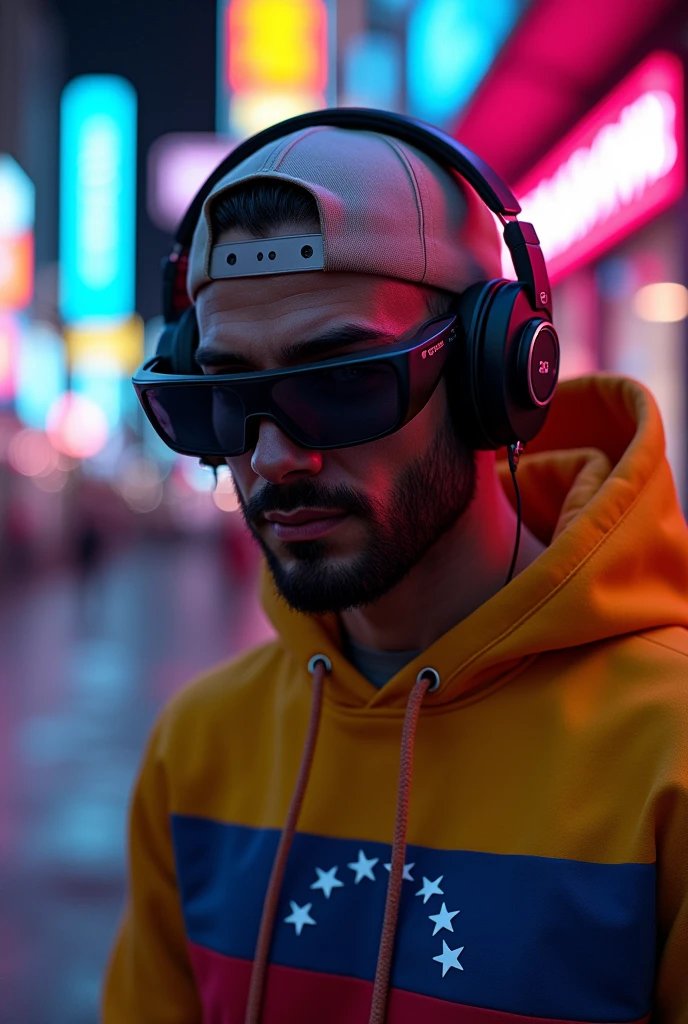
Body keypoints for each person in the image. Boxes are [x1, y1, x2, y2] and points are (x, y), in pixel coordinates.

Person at [104, 120, 688, 1024]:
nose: (272, 457)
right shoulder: (197, 751)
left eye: (341, 381)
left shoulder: (670, 753)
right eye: (223, 399)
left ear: (492, 375)